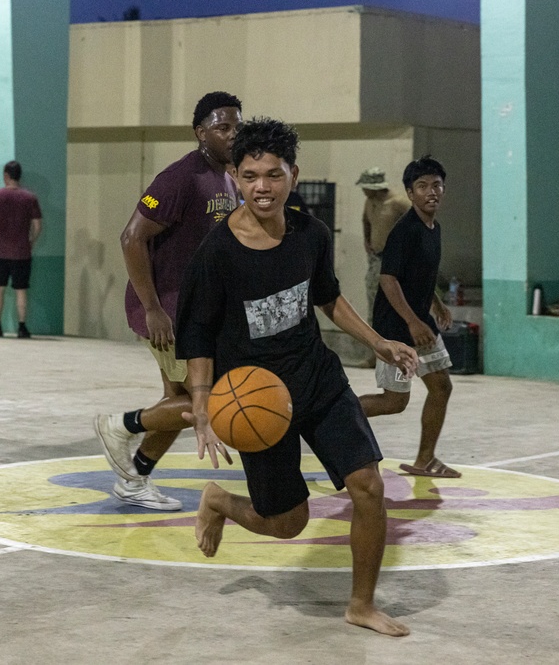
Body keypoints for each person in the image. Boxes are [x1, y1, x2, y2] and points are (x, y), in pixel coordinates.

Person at [176, 117, 417, 637]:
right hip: (255, 397)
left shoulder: (310, 233)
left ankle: (361, 604)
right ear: (235, 179)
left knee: (368, 486)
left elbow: (327, 297)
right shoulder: (217, 252)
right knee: (289, 524)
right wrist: (200, 403)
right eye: (249, 175)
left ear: (292, 174)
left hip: (317, 379)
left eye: (272, 174)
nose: (261, 186)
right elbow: (196, 333)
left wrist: (378, 342)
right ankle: (219, 500)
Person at [93, 92, 243, 510]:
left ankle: (135, 479)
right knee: (204, 401)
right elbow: (131, 238)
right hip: (169, 312)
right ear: (200, 132)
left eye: (236, 127)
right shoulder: (181, 177)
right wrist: (154, 308)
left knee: (179, 402)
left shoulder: (229, 177)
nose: (232, 134)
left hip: (197, 312)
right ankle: (119, 426)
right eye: (222, 127)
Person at [358, 156, 459, 478]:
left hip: (420, 324)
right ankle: (331, 413)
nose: (431, 192)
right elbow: (389, 279)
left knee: (441, 387)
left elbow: (419, 276)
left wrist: (437, 305)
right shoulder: (405, 232)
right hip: (397, 329)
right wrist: (413, 322)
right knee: (393, 402)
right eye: (422, 186)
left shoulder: (433, 228)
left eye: (436, 185)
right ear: (410, 193)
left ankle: (425, 460)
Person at [0, 161, 42, 339]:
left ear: (6, 176)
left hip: (0, 251)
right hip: (22, 252)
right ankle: (22, 327)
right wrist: (31, 241)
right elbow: (37, 225)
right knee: (21, 290)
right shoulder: (30, 198)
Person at [356, 167, 411, 326]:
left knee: (395, 301)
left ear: (375, 187)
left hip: (395, 260)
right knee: (374, 299)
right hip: (376, 258)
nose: (363, 191)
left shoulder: (398, 203)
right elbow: (365, 220)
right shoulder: (370, 202)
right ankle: (378, 337)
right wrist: (367, 239)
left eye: (365, 187)